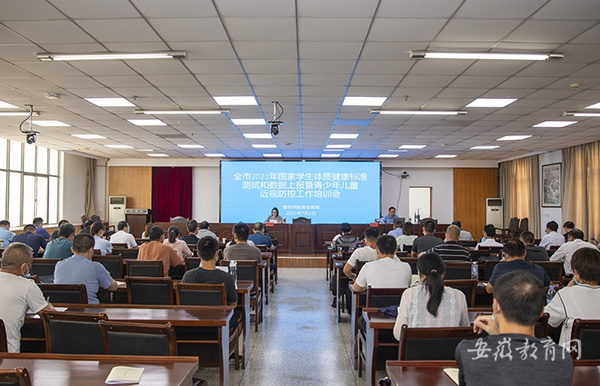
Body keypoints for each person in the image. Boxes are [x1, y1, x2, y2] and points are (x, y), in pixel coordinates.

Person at [456, 270, 573, 386]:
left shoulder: (468, 351)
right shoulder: (562, 358)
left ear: (496, 306)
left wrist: (499, 335)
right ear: (542, 311)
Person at [393, 252, 470, 340]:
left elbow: (399, 333)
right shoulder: (459, 296)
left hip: (416, 352)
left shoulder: (409, 294)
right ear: (443, 273)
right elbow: (465, 331)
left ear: (419, 272)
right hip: (450, 352)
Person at [0, 242, 54, 352]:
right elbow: (51, 316)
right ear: (24, 267)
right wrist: (48, 305)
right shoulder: (27, 285)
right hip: (8, 356)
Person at [182, 236, 240, 328]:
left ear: (198, 254)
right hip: (218, 326)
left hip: (192, 326)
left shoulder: (188, 276)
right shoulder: (227, 278)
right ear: (217, 253)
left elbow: (183, 303)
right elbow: (233, 304)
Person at [545, 248, 600, 346]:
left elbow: (548, 320)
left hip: (572, 358)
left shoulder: (566, 294)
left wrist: (568, 288)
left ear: (575, 272)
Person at [54, 234, 118, 304]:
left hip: (64, 311)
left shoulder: (59, 265)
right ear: (91, 250)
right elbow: (113, 287)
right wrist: (106, 275)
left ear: (72, 249)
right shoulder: (96, 267)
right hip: (90, 311)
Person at [486, 239, 550, 294]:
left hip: (508, 306)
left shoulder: (500, 268)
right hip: (533, 306)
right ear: (525, 253)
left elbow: (489, 290)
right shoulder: (538, 269)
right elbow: (549, 286)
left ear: (505, 255)